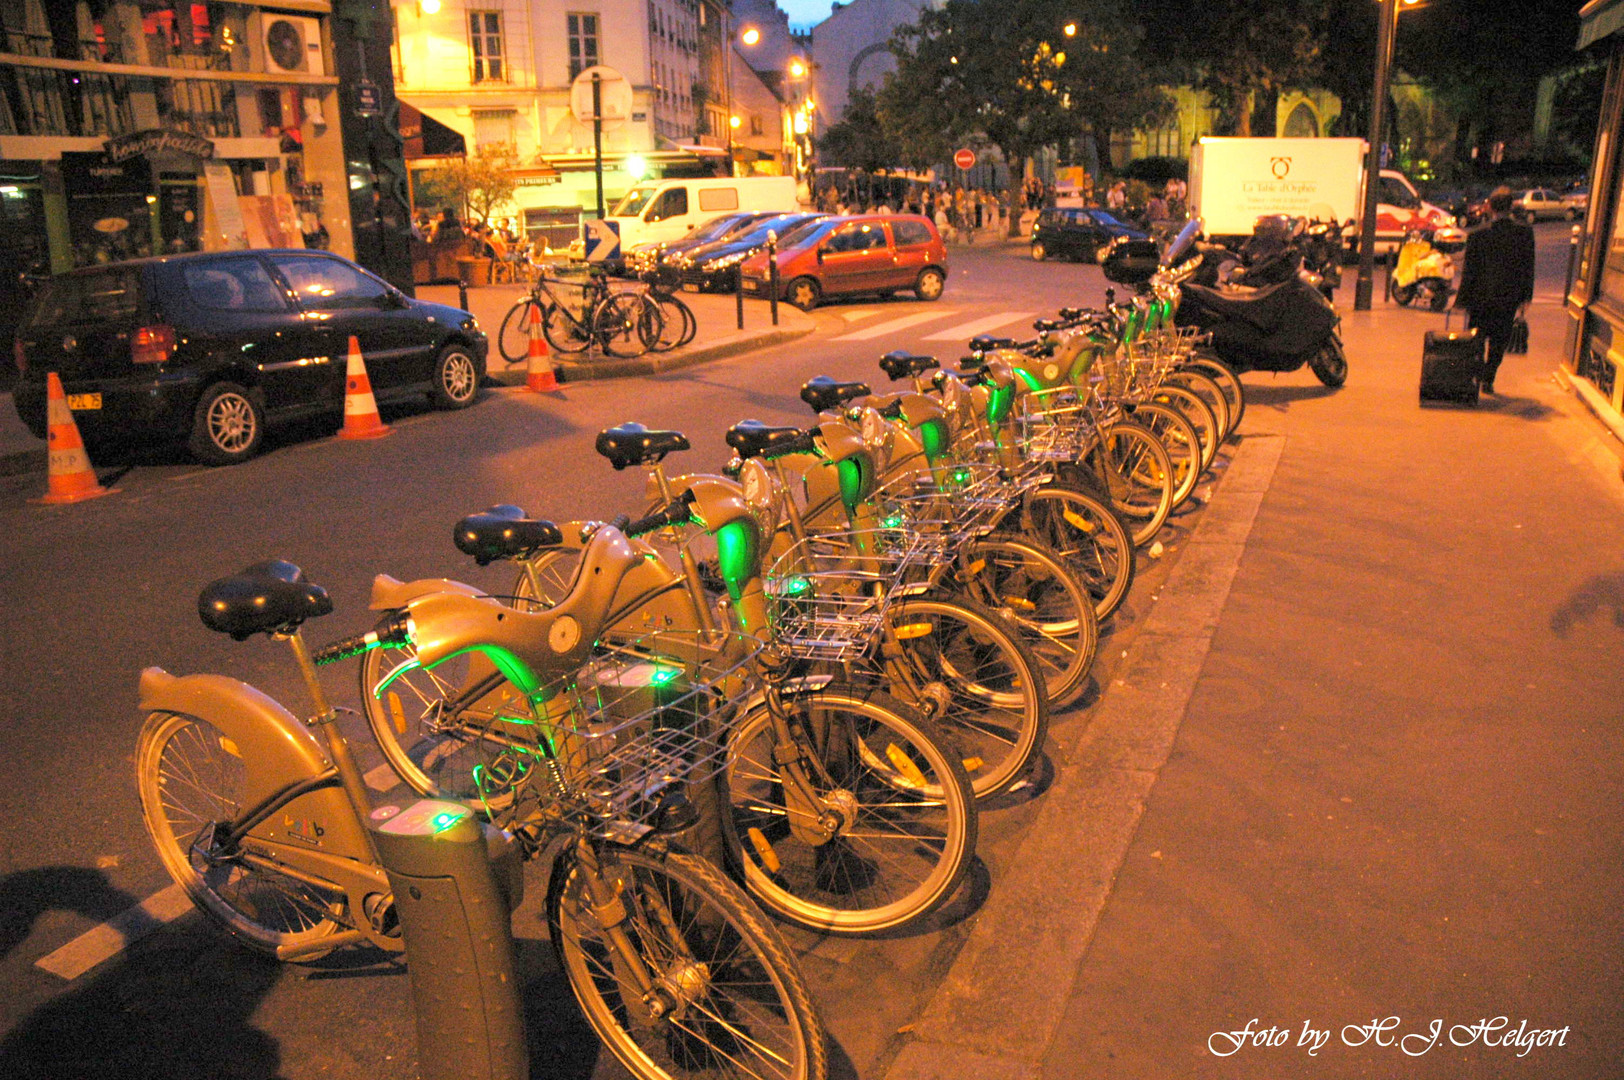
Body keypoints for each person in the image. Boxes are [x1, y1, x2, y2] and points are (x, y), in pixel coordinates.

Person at [1454, 186, 1536, 394]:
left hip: (1480, 298)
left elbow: (1469, 271)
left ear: (1489, 207)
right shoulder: (1524, 233)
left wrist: (1461, 300)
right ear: (1511, 206)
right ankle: (1489, 376)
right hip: (1508, 298)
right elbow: (1528, 267)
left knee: (1478, 338)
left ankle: (1479, 372)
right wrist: (1526, 296)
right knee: (1499, 340)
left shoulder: (1478, 235)